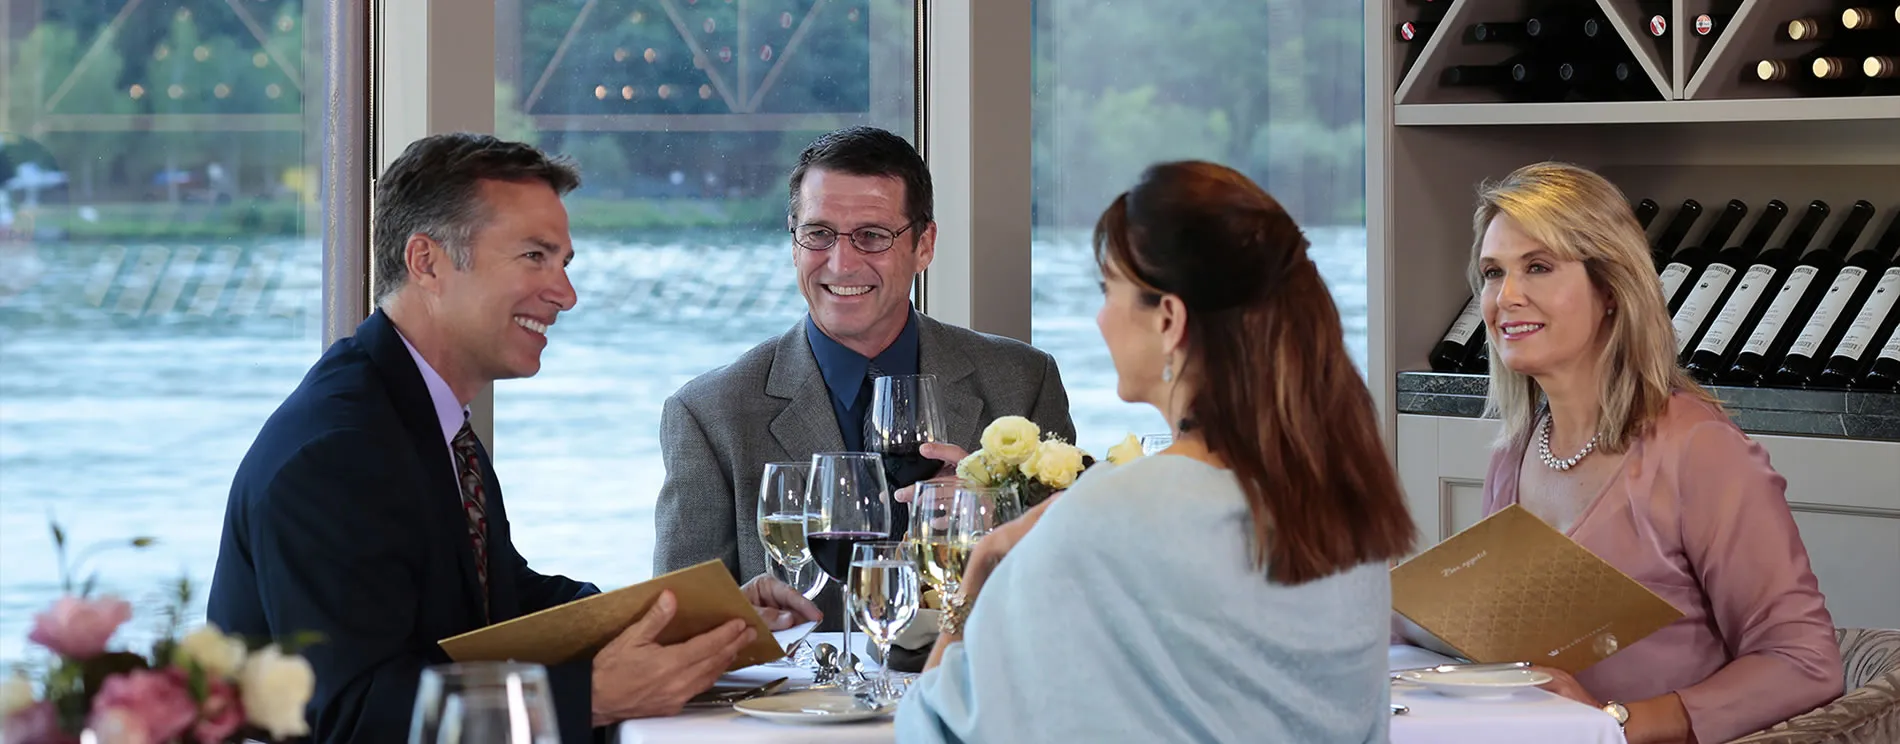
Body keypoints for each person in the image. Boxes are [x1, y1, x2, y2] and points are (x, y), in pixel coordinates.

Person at [205, 133, 821, 744]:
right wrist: (594, 699)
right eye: (534, 256)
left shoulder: (417, 414)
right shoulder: (336, 451)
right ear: (427, 262)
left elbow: (500, 600)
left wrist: (695, 619)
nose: (566, 294)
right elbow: (351, 714)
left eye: (564, 263)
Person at [893, 161, 1418, 742]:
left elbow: (933, 729)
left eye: (1106, 291)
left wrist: (976, 581)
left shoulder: (1105, 515)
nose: (1099, 318)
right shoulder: (1346, 509)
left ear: (1168, 319)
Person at [1469, 162, 1841, 744]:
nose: (1506, 297)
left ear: (1611, 290)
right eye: (1494, 273)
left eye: (1538, 267)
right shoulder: (1514, 452)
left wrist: (1615, 723)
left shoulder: (1700, 450)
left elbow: (1805, 661)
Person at [651, 126, 1075, 612]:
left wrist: (997, 519)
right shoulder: (709, 415)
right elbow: (680, 630)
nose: (841, 263)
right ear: (794, 243)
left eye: (871, 236)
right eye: (818, 234)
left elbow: (1070, 595)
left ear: (925, 245)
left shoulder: (1023, 382)